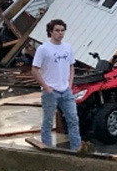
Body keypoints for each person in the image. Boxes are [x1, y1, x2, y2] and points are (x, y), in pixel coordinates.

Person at [31, 19, 81, 151]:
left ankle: (76, 149)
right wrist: (46, 87)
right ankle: (47, 149)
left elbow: (71, 66)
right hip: (50, 91)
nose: (60, 33)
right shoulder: (43, 49)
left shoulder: (68, 48)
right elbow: (35, 69)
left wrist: (70, 83)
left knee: (73, 119)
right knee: (48, 121)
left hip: (66, 90)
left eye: (62, 30)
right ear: (51, 32)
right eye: (57, 30)